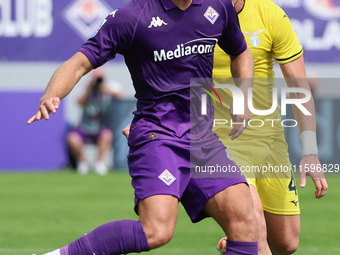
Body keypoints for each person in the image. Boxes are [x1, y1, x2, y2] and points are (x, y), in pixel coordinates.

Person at [27, 0, 259, 254]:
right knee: (156, 231)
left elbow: (240, 51)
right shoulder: (132, 17)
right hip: (158, 135)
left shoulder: (219, 6)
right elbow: (79, 63)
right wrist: (52, 94)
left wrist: (243, 96)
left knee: (246, 226)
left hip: (203, 138)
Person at [212, 0, 328, 254]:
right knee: (254, 231)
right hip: (220, 142)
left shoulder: (270, 14)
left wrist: (310, 151)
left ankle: (235, 246)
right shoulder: (197, 16)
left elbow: (299, 88)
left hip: (270, 143)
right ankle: (243, 243)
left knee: (286, 243)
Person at [67, 67, 123, 175]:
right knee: (72, 138)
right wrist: (89, 89)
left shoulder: (108, 88)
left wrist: (104, 88)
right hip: (85, 126)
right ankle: (83, 162)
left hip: (101, 126)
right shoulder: (87, 89)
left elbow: (120, 96)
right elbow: (78, 102)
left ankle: (99, 163)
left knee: (107, 135)